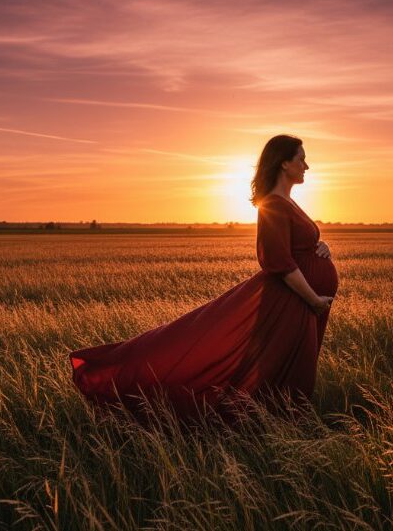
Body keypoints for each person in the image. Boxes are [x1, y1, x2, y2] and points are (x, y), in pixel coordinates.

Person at [68, 134, 338, 425]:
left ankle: (278, 429)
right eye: (301, 159)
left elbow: (297, 248)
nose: (307, 166)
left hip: (303, 302)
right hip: (291, 302)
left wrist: (321, 247)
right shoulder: (273, 204)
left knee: (290, 369)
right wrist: (313, 299)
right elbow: (279, 261)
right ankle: (269, 430)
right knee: (287, 370)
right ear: (284, 163)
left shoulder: (288, 202)